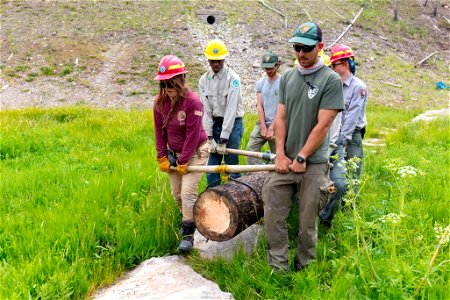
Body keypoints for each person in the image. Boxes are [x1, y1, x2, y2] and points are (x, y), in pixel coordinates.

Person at [261, 22, 344, 272]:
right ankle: (278, 267)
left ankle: (305, 268)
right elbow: (281, 118)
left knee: (307, 221)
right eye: (296, 47)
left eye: (306, 48)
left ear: (319, 47)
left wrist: (302, 156)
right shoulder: (287, 78)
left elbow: (324, 123)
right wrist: (281, 155)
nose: (300, 54)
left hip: (313, 163)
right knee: (273, 213)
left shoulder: (330, 80)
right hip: (286, 160)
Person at [153, 55, 209, 252]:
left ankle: (188, 234)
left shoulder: (193, 102)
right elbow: (159, 132)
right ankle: (192, 219)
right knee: (176, 194)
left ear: (180, 81)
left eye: (170, 84)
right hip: (174, 153)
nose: (166, 89)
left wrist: (184, 160)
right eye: (163, 85)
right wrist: (161, 156)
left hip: (196, 152)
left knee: (187, 193)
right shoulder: (159, 103)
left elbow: (193, 136)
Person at [199, 39, 244, 187]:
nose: (216, 64)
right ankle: (215, 197)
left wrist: (224, 138)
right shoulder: (203, 81)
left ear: (224, 58)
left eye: (219, 60)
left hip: (233, 123)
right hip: (215, 123)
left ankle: (237, 198)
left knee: (232, 165)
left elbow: (231, 110)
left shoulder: (233, 79)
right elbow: (205, 110)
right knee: (212, 168)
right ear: (208, 60)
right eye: (212, 61)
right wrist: (210, 137)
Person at [329, 44, 368, 178]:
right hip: (335, 132)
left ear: (345, 64)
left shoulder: (358, 87)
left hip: (352, 135)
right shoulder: (334, 85)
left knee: (352, 171)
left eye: (334, 65)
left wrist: (343, 141)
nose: (332, 69)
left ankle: (351, 199)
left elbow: (352, 116)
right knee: (334, 171)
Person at [246, 52, 281, 165]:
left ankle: (275, 177)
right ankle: (257, 175)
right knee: (250, 149)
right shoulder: (261, 83)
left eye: (270, 67)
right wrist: (263, 126)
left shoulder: (283, 82)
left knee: (278, 155)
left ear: (277, 65)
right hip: (263, 122)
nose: (268, 70)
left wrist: (271, 127)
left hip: (278, 123)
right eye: (266, 68)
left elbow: (282, 107)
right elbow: (260, 106)